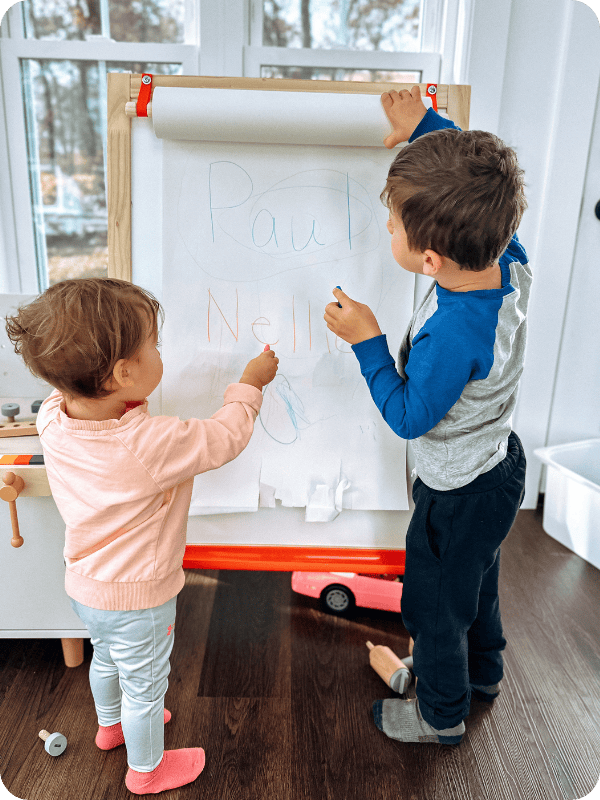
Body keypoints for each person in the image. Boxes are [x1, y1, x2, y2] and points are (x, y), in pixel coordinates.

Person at [5, 278, 278, 793]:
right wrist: (250, 383)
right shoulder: (149, 443)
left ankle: (110, 729)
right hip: (139, 600)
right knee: (147, 690)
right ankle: (147, 771)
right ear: (123, 373)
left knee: (104, 657)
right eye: (154, 344)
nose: (160, 351)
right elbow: (223, 438)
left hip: (85, 587)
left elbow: (77, 388)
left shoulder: (51, 418)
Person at [324, 86, 530, 745]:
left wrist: (367, 342)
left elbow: (410, 415)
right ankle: (482, 676)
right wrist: (426, 126)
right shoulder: (509, 260)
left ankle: (441, 716)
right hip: (497, 469)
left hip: (458, 492)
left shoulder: (451, 339)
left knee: (434, 608)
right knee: (479, 584)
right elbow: (478, 176)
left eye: (392, 226)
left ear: (431, 261)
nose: (386, 228)